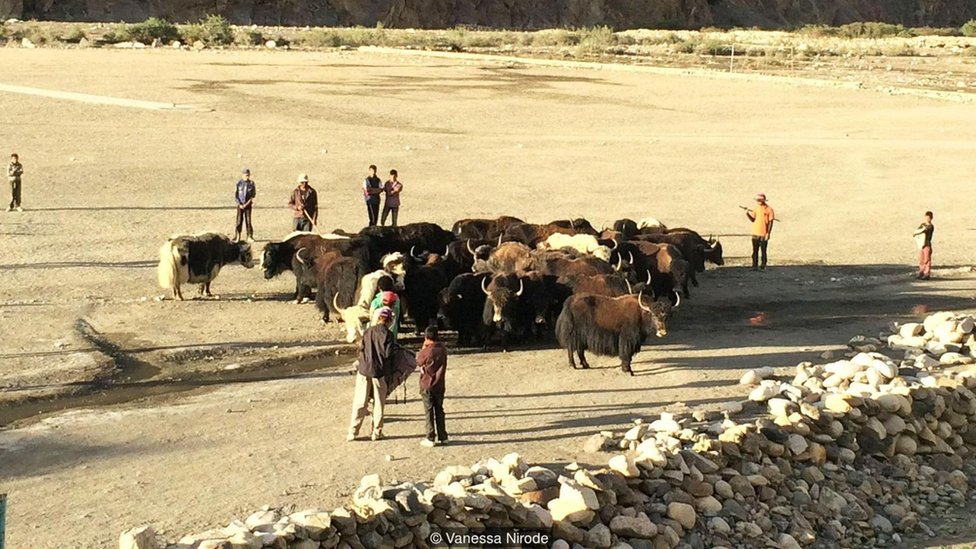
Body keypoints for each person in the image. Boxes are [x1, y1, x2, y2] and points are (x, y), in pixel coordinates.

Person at [348, 307, 396, 441]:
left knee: (360, 402)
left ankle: (353, 431)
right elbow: (388, 355)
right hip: (379, 373)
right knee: (379, 403)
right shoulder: (389, 335)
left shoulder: (368, 331)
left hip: (363, 371)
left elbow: (361, 349)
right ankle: (376, 432)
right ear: (389, 320)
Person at [417, 327, 448, 447]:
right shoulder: (443, 349)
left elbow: (419, 361)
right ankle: (443, 436)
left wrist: (423, 348)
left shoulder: (427, 351)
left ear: (426, 338)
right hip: (440, 384)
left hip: (427, 384)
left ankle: (430, 437)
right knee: (439, 409)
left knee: (429, 411)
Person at [745, 193, 775, 271]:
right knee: (755, 251)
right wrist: (747, 213)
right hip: (755, 233)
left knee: (763, 251)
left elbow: (771, 222)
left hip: (764, 233)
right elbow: (753, 220)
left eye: (759, 200)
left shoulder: (769, 209)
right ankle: (754, 265)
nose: (758, 202)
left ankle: (763, 266)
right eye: (757, 200)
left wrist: (768, 233)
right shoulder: (756, 208)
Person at [234, 168, 256, 242]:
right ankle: (237, 236)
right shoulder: (239, 183)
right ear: (242, 175)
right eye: (245, 175)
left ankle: (249, 236)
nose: (247, 176)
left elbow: (252, 195)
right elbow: (236, 195)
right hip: (240, 205)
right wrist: (239, 204)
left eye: (248, 175)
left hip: (248, 205)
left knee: (248, 221)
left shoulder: (251, 184)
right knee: (239, 221)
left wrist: (247, 204)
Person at [913, 211, 935, 280]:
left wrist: (922, 229)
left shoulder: (930, 226)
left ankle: (926, 273)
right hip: (921, 244)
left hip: (927, 244)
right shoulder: (923, 224)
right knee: (921, 259)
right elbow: (918, 231)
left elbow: (924, 231)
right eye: (926, 217)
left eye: (928, 217)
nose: (927, 219)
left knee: (927, 259)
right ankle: (921, 272)